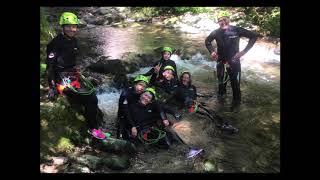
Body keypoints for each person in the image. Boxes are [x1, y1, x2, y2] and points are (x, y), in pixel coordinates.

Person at [46, 12, 103, 137]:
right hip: (61, 79)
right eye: (69, 26)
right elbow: (50, 67)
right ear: (63, 26)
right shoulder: (54, 44)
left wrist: (76, 72)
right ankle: (93, 129)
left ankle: (94, 126)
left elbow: (70, 61)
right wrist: (52, 87)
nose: (72, 29)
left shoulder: (74, 41)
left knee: (91, 93)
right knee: (90, 98)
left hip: (72, 75)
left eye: (74, 26)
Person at [205, 11, 259, 109]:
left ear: (229, 20)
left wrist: (243, 52)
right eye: (220, 21)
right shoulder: (216, 32)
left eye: (224, 19)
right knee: (221, 87)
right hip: (221, 62)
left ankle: (236, 111)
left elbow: (254, 36)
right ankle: (220, 108)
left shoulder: (236, 30)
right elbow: (207, 41)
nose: (222, 22)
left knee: (236, 87)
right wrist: (212, 52)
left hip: (234, 63)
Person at [117, 75, 150, 139]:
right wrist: (133, 126)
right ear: (135, 84)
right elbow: (125, 111)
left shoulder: (141, 94)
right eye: (140, 85)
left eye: (144, 86)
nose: (142, 88)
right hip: (123, 116)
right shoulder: (126, 94)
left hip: (133, 114)